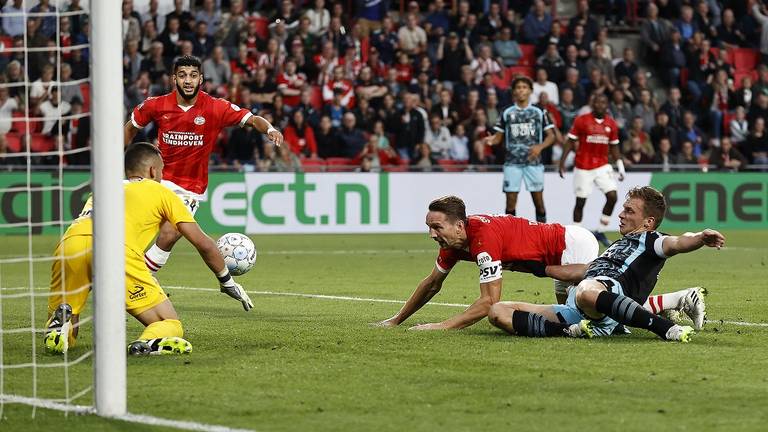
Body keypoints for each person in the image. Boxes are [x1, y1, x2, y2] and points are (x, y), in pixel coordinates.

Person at [45, 143, 253, 356]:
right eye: (162, 170)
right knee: (169, 322)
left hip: (70, 242)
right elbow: (204, 243)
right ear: (153, 171)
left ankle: (59, 330)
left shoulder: (103, 189)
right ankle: (148, 342)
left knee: (71, 319)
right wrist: (226, 281)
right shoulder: (161, 192)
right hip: (116, 249)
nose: (162, 175)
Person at [488, 186, 723, 342]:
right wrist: (528, 266)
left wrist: (701, 237)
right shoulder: (616, 246)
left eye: (629, 211)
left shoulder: (652, 240)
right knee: (498, 312)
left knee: (586, 290)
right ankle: (570, 331)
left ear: (648, 222)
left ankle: (667, 329)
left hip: (601, 296)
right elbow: (580, 271)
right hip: (577, 309)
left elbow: (679, 242)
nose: (620, 214)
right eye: (623, 208)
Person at [124, 55, 284, 274]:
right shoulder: (156, 105)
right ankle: (114, 270)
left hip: (189, 187)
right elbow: (131, 127)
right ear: (174, 79)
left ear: (201, 79)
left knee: (170, 234)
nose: (187, 80)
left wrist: (271, 129)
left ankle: (138, 278)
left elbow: (252, 119)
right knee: (126, 225)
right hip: (156, 179)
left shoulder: (215, 107)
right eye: (182, 75)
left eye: (193, 75)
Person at [374, 195, 599, 329]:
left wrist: (442, 326)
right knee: (571, 320)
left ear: (459, 226)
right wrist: (396, 320)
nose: (432, 234)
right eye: (429, 227)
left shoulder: (484, 238)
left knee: (588, 314)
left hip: (571, 246)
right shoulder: (453, 243)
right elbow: (432, 284)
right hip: (553, 261)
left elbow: (489, 301)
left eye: (437, 228)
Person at [483, 76, 556, 222]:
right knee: (510, 202)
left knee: (539, 202)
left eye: (524, 87)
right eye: (518, 87)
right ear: (514, 92)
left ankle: (542, 236)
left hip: (533, 163)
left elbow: (551, 136)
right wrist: (491, 141)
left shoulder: (539, 111)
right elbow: (498, 137)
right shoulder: (506, 112)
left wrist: (539, 147)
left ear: (530, 91)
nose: (521, 90)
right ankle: (511, 237)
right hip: (512, 163)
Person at [559, 93, 625, 247]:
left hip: (602, 165)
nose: (600, 105)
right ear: (592, 104)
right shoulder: (582, 120)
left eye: (603, 102)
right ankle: (576, 236)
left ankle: (600, 231)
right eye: (597, 102)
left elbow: (614, 146)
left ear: (607, 105)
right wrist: (562, 162)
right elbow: (570, 142)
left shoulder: (611, 124)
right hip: (583, 166)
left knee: (613, 196)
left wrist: (620, 166)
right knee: (581, 202)